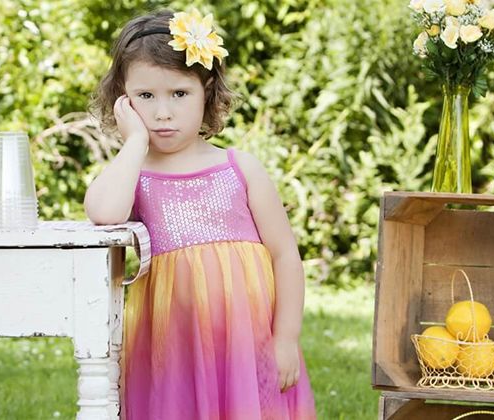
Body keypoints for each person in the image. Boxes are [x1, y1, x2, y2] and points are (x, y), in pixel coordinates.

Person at [83, 9, 318, 420]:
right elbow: (103, 213)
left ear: (206, 90)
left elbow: (285, 256)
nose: (162, 113)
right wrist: (135, 142)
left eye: (179, 94)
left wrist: (286, 338)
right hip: (175, 347)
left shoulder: (240, 168)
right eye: (145, 97)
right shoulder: (135, 174)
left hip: (247, 345)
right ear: (123, 99)